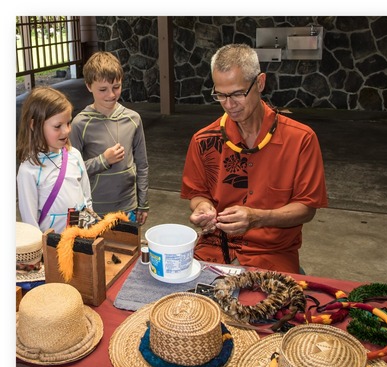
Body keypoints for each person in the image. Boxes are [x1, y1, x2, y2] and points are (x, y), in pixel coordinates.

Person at [181, 43, 328, 274]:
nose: (229, 105)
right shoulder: (203, 140)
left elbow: (307, 209)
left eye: (238, 93)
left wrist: (257, 218)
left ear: (260, 83)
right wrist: (203, 207)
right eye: (221, 94)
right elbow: (198, 193)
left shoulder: (300, 139)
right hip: (214, 249)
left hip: (273, 253)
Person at [71, 51, 149, 225]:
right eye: (103, 89)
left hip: (128, 207)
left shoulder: (133, 119)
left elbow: (142, 165)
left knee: (128, 251)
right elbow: (72, 171)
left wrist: (143, 204)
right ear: (89, 86)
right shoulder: (79, 124)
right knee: (93, 252)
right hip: (91, 209)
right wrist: (103, 160)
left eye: (116, 87)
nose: (111, 95)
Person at [17, 87, 93, 234]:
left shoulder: (74, 155)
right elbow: (30, 224)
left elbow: (86, 198)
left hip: (83, 239)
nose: (66, 131)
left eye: (68, 123)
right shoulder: (28, 171)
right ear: (34, 125)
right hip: (53, 249)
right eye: (58, 126)